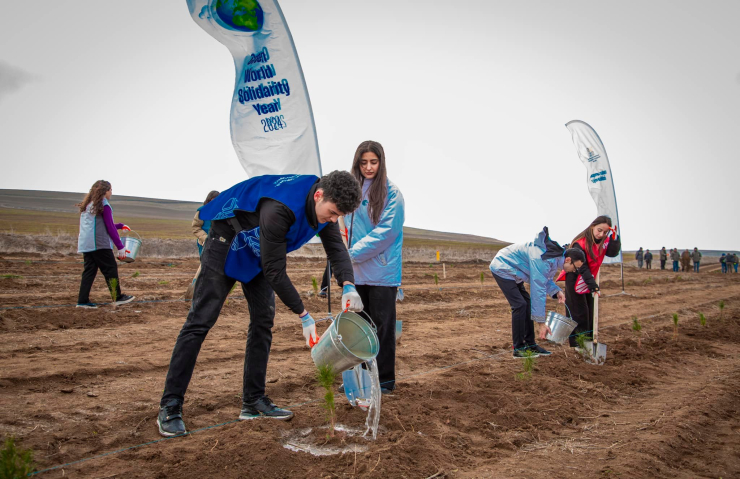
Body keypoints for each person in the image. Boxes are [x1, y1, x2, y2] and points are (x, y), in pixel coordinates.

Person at [157, 172, 363, 437]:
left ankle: (253, 401)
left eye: (338, 216)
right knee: (200, 321)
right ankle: (170, 405)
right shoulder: (281, 208)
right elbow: (274, 270)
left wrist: (349, 284)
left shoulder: (327, 207)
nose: (333, 220)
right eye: (332, 213)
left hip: (258, 246)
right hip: (227, 238)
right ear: (318, 195)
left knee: (263, 321)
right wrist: (304, 315)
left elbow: (336, 249)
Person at [344, 140, 404, 393]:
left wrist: (352, 254)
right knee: (358, 328)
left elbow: (387, 232)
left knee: (382, 328)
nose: (369, 167)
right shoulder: (350, 190)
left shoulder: (392, 193)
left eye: (374, 162)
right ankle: (361, 379)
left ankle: (385, 381)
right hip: (356, 273)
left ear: (381, 162)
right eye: (364, 162)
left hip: (382, 272)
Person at [490, 227, 584, 357]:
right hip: (503, 266)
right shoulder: (544, 258)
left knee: (526, 303)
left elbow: (545, 279)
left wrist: (557, 292)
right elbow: (538, 288)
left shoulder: (553, 258)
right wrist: (541, 324)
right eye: (575, 268)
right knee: (519, 305)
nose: (574, 271)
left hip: (515, 271)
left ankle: (530, 344)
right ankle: (518, 348)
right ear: (568, 260)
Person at [558, 216, 621, 347]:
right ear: (592, 226)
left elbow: (612, 252)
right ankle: (578, 344)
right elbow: (582, 267)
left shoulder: (602, 241)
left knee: (590, 312)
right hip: (575, 278)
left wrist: (614, 239)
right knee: (579, 313)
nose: (601, 234)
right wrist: (593, 286)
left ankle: (589, 341)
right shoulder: (579, 243)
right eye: (599, 230)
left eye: (605, 232)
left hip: (588, 279)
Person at [76, 180, 135, 309]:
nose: (111, 193)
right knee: (110, 269)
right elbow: (109, 227)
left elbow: (102, 225)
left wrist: (120, 225)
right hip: (99, 244)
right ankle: (117, 297)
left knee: (89, 271)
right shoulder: (104, 205)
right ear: (105, 191)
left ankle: (82, 301)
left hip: (87, 244)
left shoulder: (88, 205)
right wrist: (120, 246)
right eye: (110, 190)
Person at [185, 190, 220, 299]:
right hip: (205, 243)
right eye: (213, 199)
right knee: (205, 266)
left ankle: (211, 292)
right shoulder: (202, 211)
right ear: (209, 199)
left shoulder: (222, 211)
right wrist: (206, 238)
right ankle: (194, 292)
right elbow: (196, 227)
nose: (215, 202)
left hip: (220, 243)